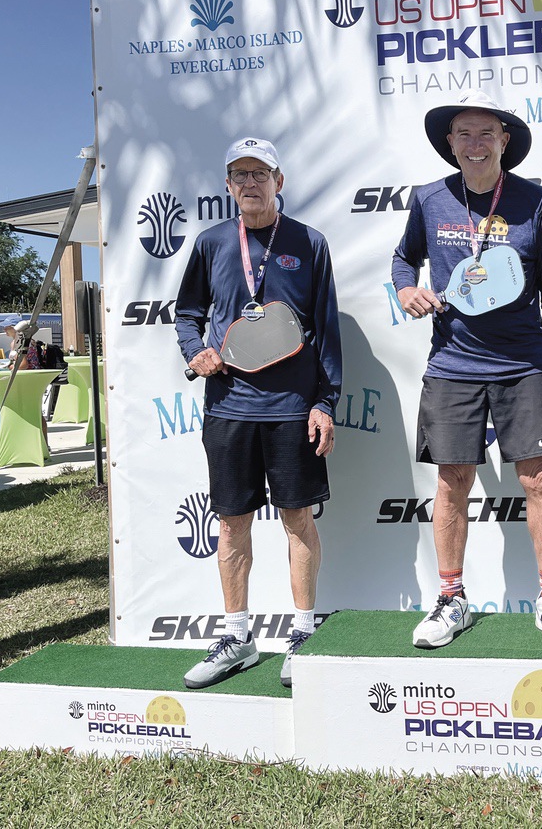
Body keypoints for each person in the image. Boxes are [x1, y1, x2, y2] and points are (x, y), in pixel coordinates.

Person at [391, 91, 542, 652]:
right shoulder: (429, 199)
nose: (475, 145)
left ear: (504, 141)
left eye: (486, 134)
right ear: (449, 143)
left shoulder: (535, 202)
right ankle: (451, 598)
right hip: (452, 364)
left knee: (540, 481)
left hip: (524, 363)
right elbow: (404, 258)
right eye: (464, 135)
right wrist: (406, 287)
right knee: (452, 482)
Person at [176, 137, 341, 689]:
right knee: (231, 523)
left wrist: (324, 400)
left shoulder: (309, 243)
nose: (250, 183)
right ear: (227, 185)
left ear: (280, 181)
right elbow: (187, 314)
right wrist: (193, 351)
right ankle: (236, 636)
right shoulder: (210, 243)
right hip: (228, 407)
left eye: (260, 173)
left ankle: (303, 632)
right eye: (239, 174)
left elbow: (327, 332)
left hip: (292, 407)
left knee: (298, 519)